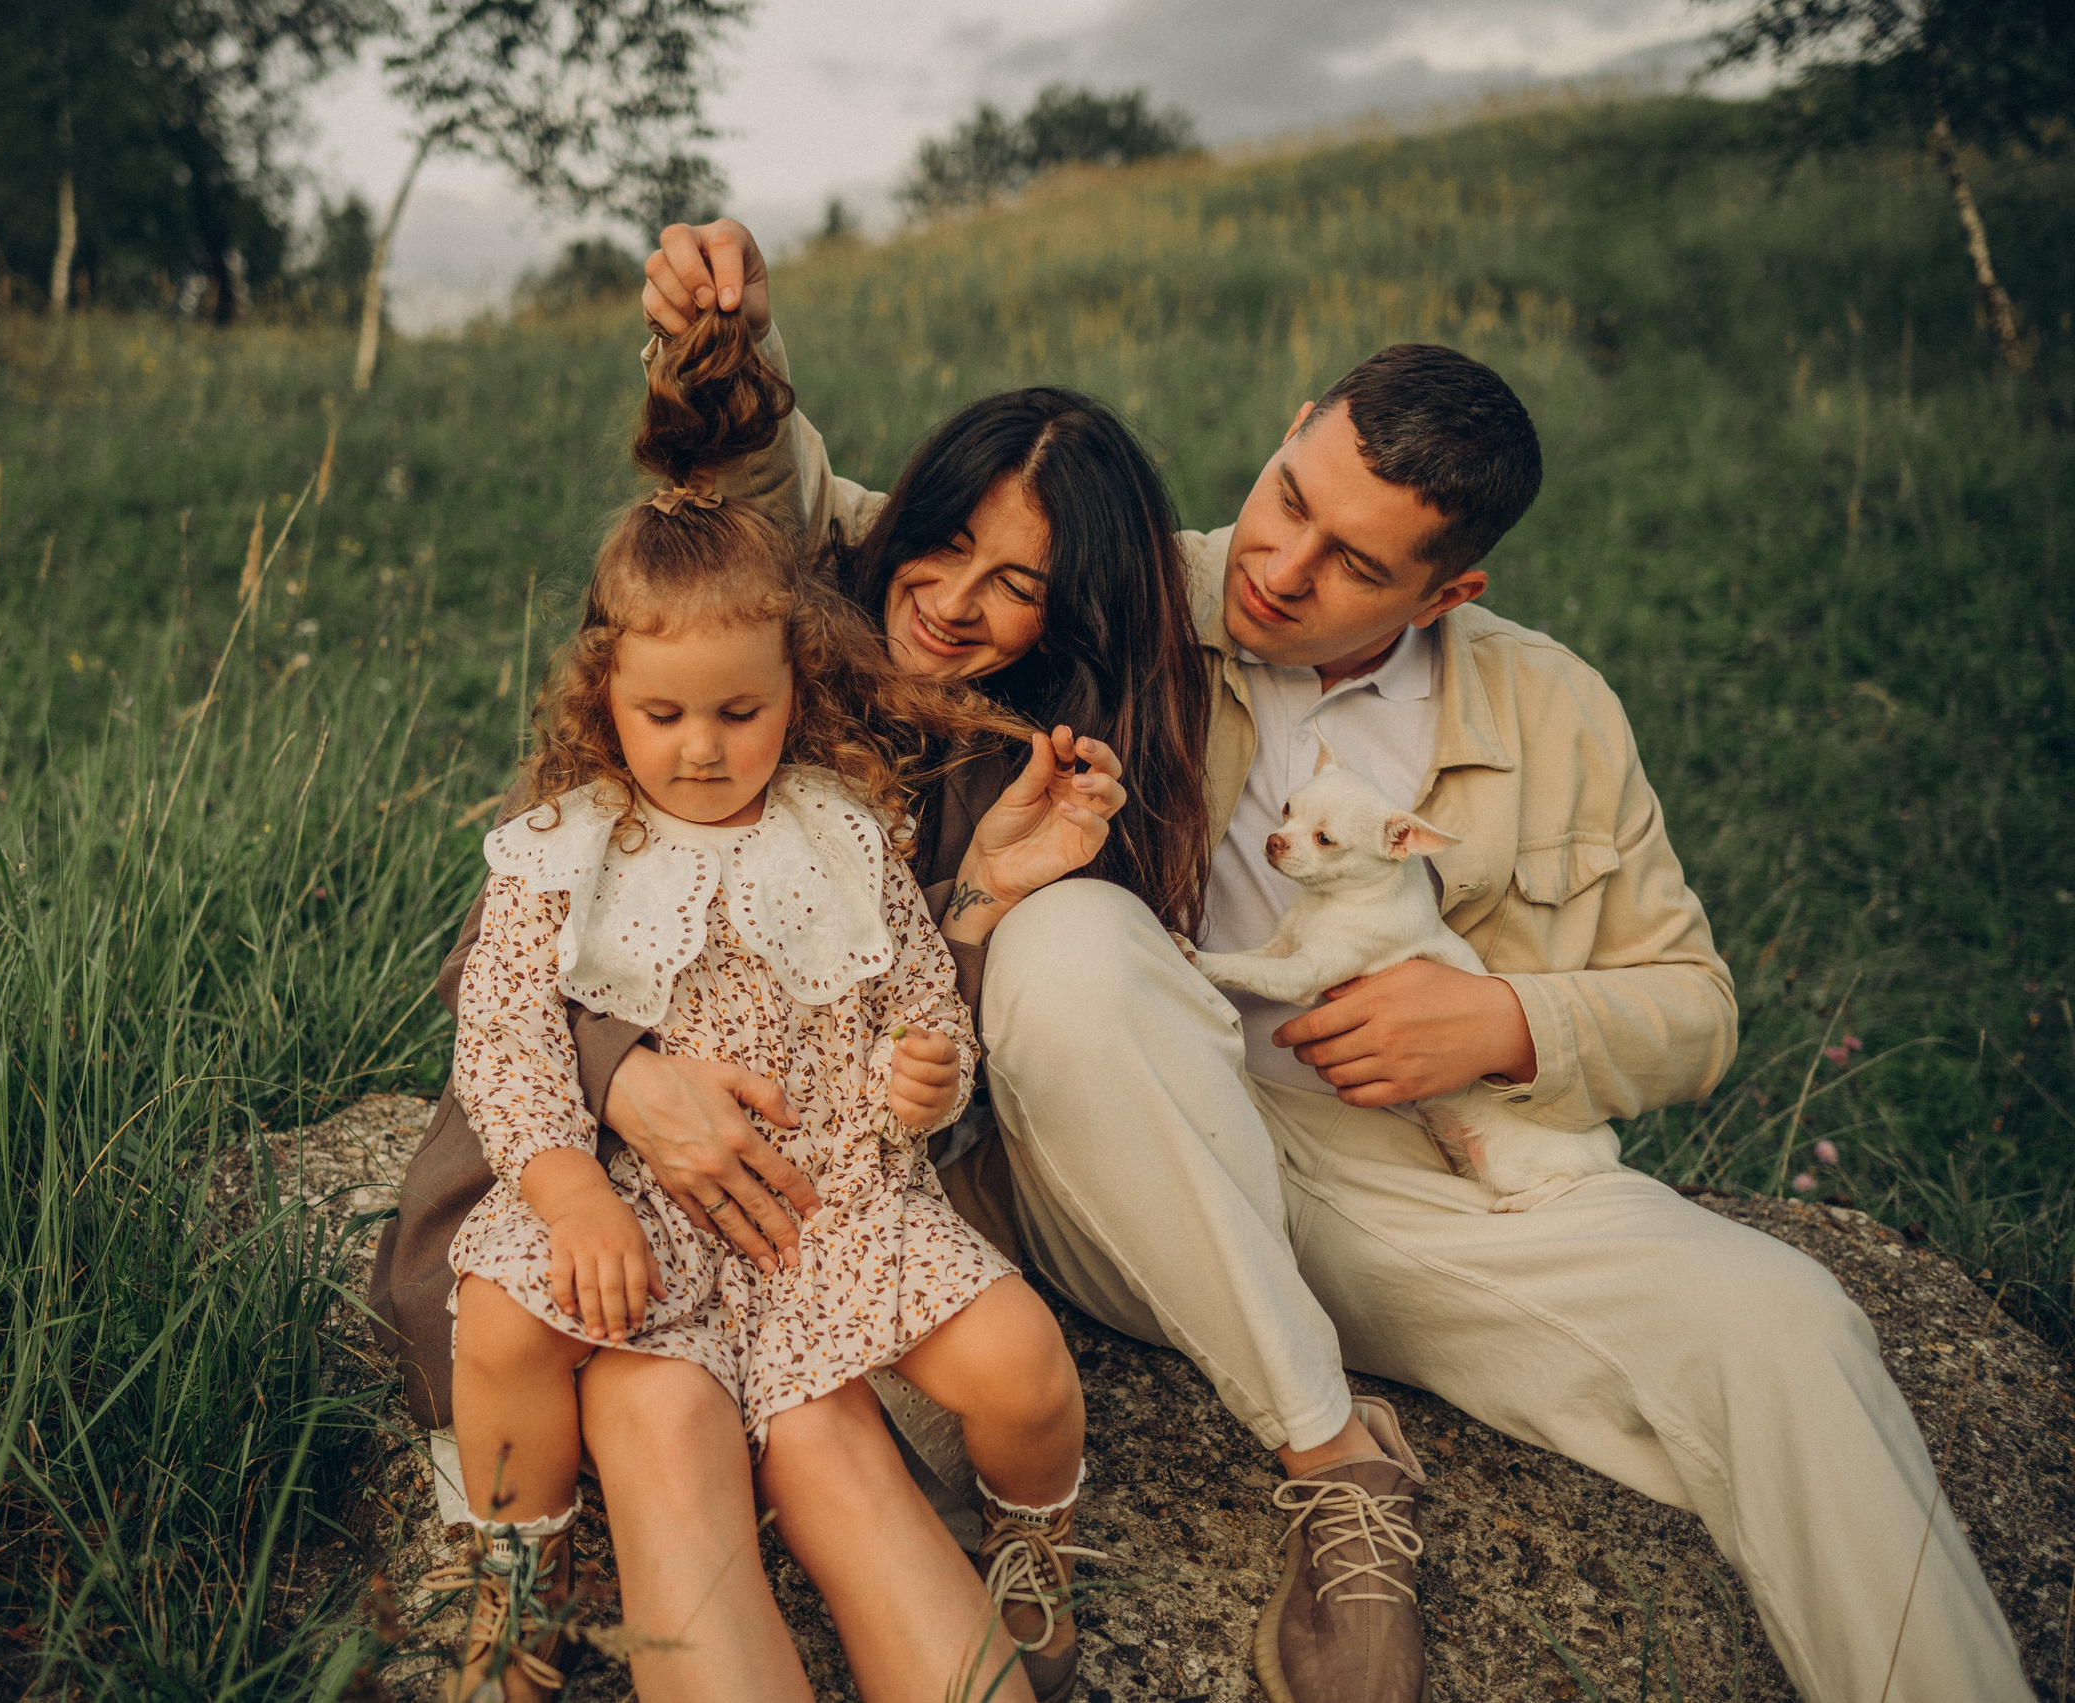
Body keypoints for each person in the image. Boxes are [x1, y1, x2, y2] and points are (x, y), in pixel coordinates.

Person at [585, 218, 2034, 1703]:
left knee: (1790, 1321)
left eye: (1353, 561)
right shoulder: (1121, 585)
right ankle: (1337, 1464)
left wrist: (1503, 1022)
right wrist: (727, 350)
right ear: (1285, 438)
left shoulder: (1554, 711)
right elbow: (828, 524)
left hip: (1438, 1191)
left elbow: (1694, 1010)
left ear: (1446, 592)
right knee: (1077, 940)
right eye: (1287, 501)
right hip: (1137, 1165)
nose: (1281, 566)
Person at [422, 308, 1110, 1703]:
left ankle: (1036, 1538)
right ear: (605, 696)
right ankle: (517, 1568)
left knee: (1025, 1361)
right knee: (500, 1321)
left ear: (799, 688)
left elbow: (917, 993)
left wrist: (928, 1076)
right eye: (664, 715)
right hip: (628, 1206)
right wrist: (571, 1198)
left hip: (830, 1202)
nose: (701, 748)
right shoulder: (566, 844)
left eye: (739, 713)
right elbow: (499, 1035)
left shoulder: (839, 829)